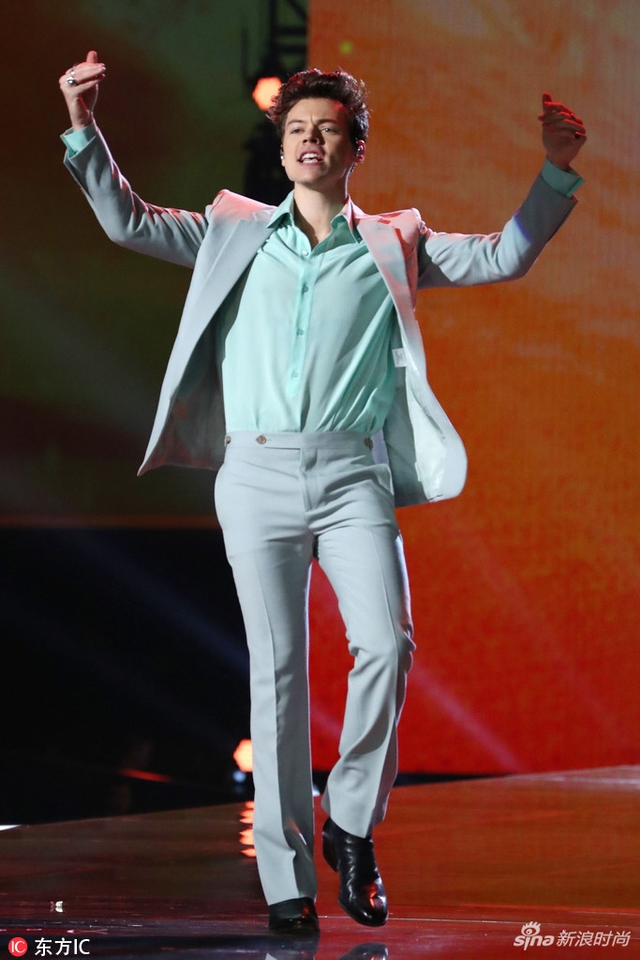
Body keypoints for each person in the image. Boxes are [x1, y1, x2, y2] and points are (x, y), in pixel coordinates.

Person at [59, 52, 586, 936]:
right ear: (281, 146)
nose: (309, 141)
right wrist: (83, 127)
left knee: (388, 643)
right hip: (256, 472)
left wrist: (556, 171)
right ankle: (285, 880)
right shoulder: (231, 229)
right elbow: (127, 221)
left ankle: (351, 823)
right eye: (297, 129)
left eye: (327, 130)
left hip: (352, 475)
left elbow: (505, 255)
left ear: (355, 148)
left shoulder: (395, 241)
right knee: (277, 674)